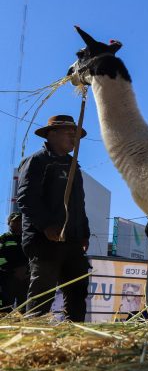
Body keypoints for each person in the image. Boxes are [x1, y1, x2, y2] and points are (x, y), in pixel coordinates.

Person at [17, 115, 90, 321]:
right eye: (69, 133)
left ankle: (75, 333)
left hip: (72, 239)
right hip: (44, 240)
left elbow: (79, 204)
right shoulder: (38, 161)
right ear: (52, 134)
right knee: (43, 291)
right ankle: (34, 333)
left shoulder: (73, 166)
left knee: (77, 290)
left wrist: (84, 233)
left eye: (76, 135)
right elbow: (26, 198)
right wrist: (47, 226)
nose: (74, 138)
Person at [0, 212, 30, 311]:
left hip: (26, 278)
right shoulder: (3, 238)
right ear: (9, 223)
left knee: (24, 308)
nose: (18, 223)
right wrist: (13, 270)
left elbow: (34, 257)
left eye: (20, 221)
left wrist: (26, 270)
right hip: (7, 279)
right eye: (15, 221)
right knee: (5, 308)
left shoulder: (28, 238)